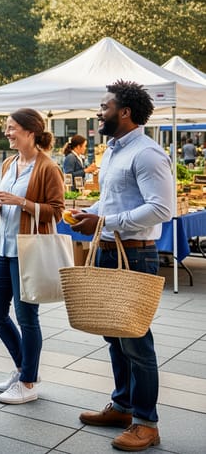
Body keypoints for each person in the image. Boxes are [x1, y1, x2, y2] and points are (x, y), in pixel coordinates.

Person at [68, 80, 173, 452]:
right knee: (113, 335)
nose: (99, 112)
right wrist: (92, 212)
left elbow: (162, 209)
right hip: (110, 252)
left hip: (136, 254)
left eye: (104, 106)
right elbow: (112, 202)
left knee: (136, 341)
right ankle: (123, 406)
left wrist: (105, 223)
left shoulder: (148, 153)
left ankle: (147, 423)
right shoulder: (113, 150)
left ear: (124, 112)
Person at [0, 108, 64, 405]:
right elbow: (7, 206)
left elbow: (57, 211)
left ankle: (28, 381)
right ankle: (24, 368)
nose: (7, 132)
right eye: (6, 127)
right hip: (2, 249)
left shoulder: (47, 168)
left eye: (11, 127)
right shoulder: (9, 163)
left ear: (30, 132)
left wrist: (21, 202)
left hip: (27, 252)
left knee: (27, 317)